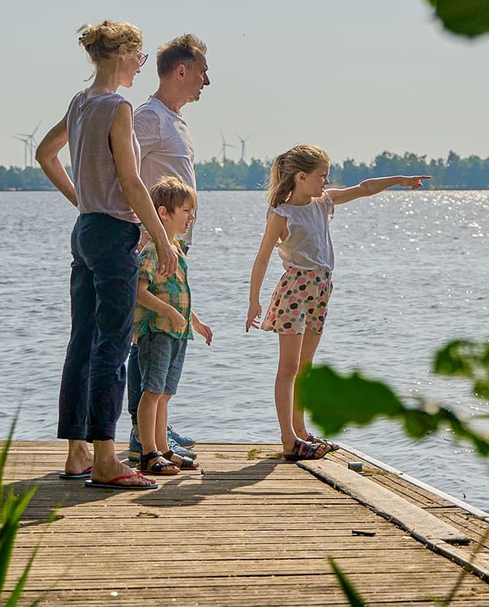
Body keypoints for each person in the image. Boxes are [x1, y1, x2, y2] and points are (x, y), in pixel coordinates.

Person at [36, 20, 178, 489]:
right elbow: (134, 183)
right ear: (120, 54)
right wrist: (160, 237)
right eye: (138, 57)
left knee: (82, 341)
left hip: (84, 231)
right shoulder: (117, 107)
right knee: (112, 346)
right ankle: (105, 459)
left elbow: (44, 154)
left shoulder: (80, 104)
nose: (140, 66)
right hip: (114, 232)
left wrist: (82, 201)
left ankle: (78, 453)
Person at [246, 145, 429, 460]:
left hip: (320, 288)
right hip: (295, 290)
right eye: (321, 176)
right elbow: (262, 258)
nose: (326, 181)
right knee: (288, 367)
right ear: (301, 177)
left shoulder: (323, 202)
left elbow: (363, 189)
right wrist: (254, 301)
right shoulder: (282, 213)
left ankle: (302, 431)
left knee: (305, 367)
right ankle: (288, 439)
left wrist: (399, 179)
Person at [128, 35, 209, 459]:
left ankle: (157, 427)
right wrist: (147, 234)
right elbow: (123, 172)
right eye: (201, 71)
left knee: (169, 343)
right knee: (147, 340)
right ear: (181, 70)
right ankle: (141, 436)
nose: (206, 81)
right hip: (151, 245)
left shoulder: (176, 121)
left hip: (174, 245)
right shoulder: (148, 118)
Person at [131, 176, 214, 475]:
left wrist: (196, 321)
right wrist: (168, 312)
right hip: (157, 330)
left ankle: (164, 447)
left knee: (165, 393)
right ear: (162, 213)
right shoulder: (153, 249)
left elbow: (181, 292)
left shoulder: (176, 249)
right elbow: (139, 292)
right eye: (185, 211)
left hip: (178, 330)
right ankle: (148, 451)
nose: (191, 217)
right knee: (151, 391)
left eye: (192, 212)